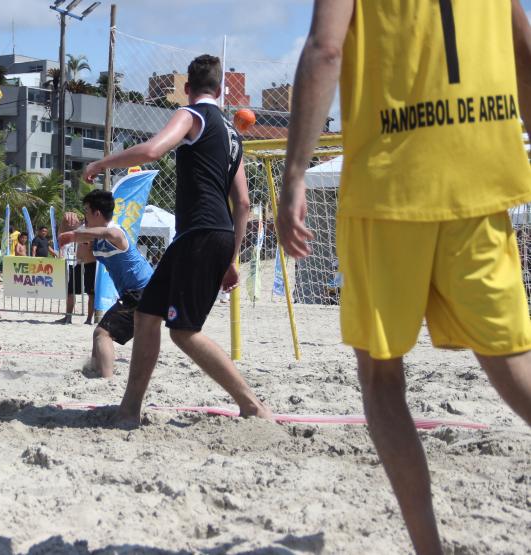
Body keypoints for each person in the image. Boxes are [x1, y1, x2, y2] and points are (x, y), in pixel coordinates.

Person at [278, 2, 531, 553]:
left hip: (390, 181)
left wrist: (295, 172)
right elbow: (522, 47)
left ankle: (428, 549)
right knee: (512, 362)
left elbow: (326, 48)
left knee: (381, 376)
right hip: (482, 168)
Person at [84, 54, 271, 427]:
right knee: (146, 314)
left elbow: (153, 150)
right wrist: (231, 257)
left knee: (184, 332)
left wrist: (101, 164)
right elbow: (244, 203)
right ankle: (129, 410)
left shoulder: (192, 116)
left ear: (187, 89)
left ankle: (252, 404)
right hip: (210, 236)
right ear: (220, 90)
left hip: (198, 235)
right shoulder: (234, 135)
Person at [60, 190, 155, 378]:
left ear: (97, 213)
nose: (83, 215)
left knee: (102, 334)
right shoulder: (95, 240)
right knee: (100, 335)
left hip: (143, 291)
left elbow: (107, 232)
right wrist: (65, 227)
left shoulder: (116, 232)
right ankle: (97, 370)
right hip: (136, 293)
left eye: (86, 211)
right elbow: (80, 256)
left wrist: (75, 233)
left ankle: (106, 379)